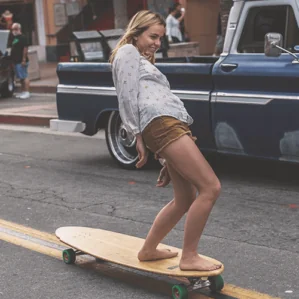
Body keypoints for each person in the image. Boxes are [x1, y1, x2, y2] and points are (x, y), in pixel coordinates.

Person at [110, 10, 222, 271]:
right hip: (162, 123)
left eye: (160, 38)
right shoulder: (127, 52)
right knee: (210, 187)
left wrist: (165, 156)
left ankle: (148, 250)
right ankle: (190, 256)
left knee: (185, 197)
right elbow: (126, 96)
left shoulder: (138, 57)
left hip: (166, 124)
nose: (157, 43)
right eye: (152, 36)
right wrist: (137, 136)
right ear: (136, 33)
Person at [10, 23, 30, 99]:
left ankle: (27, 92)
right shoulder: (15, 38)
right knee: (21, 78)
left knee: (24, 77)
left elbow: (25, 49)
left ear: (19, 29)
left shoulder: (23, 37)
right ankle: (23, 92)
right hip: (16, 62)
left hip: (21, 61)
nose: (13, 31)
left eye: (15, 29)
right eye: (12, 29)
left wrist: (23, 60)